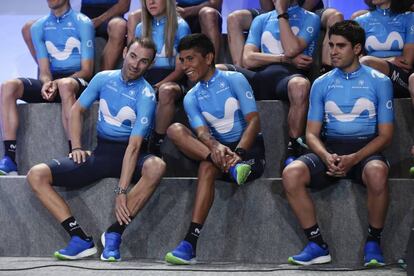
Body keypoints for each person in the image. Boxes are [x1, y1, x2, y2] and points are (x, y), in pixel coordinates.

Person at [27, 37, 165, 262]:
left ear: (149, 65)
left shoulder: (146, 94)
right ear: (124, 52)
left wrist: (121, 192)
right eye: (133, 56)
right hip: (101, 154)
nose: (135, 64)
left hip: (131, 155)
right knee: (36, 174)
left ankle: (114, 234)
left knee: (157, 166)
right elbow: (77, 110)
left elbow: (135, 145)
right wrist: (77, 146)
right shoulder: (103, 79)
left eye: (143, 61)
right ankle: (79, 238)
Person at [282, 20, 394, 267]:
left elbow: (386, 135)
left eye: (340, 46)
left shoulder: (379, 81)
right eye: (331, 45)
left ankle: (373, 242)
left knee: (377, 172)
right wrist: (325, 156)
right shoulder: (321, 83)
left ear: (357, 49)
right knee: (291, 174)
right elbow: (311, 134)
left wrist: (354, 158)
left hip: (365, 150)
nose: (332, 51)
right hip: (330, 148)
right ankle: (317, 245)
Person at [164, 33, 265, 265]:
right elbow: (201, 133)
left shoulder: (234, 80)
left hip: (248, 151)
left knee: (207, 167)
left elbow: (254, 122)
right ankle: (190, 244)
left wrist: (238, 154)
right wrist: (216, 147)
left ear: (208, 57)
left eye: (190, 59)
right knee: (176, 131)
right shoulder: (191, 96)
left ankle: (229, 164)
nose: (185, 66)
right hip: (219, 153)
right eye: (182, 60)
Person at [0, 0, 94, 175]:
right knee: (8, 86)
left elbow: (87, 70)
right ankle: (9, 158)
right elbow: (44, 70)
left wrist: (59, 82)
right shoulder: (39, 27)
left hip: (77, 80)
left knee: (65, 85)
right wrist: (46, 83)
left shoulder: (83, 22)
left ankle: (74, 151)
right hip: (54, 82)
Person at [222, 0, 320, 166]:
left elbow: (291, 48)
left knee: (301, 86)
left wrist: (282, 13)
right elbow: (247, 59)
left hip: (287, 79)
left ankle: (293, 146)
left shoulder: (311, 18)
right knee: (218, 70)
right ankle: (225, 139)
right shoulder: (262, 19)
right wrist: (284, 59)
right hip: (259, 77)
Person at [134, 0, 191, 155]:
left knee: (165, 91)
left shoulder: (181, 26)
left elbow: (181, 70)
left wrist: (157, 86)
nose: (151, 2)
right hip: (147, 78)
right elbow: (135, 65)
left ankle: (156, 142)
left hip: (173, 79)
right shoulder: (140, 28)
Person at [227, 0, 343, 72]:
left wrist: (296, 15)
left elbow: (306, 8)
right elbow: (267, 7)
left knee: (335, 16)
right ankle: (241, 71)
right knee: (234, 18)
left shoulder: (309, 17)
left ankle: (327, 70)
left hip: (304, 9)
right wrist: (273, 16)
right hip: (275, 10)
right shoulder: (264, 18)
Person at [22, 0, 131, 71]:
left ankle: (101, 81)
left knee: (119, 26)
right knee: (28, 28)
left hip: (110, 19)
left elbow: (124, 5)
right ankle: (48, 73)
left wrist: (99, 20)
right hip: (83, 17)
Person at [127, 0, 222, 62]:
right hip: (174, 8)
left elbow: (214, 4)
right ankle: (129, 61)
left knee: (208, 13)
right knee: (133, 16)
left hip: (199, 11)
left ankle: (212, 65)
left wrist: (185, 12)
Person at [355, 0, 414, 98]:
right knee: (363, 63)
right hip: (368, 69)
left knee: (366, 61)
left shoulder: (410, 18)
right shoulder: (360, 21)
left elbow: (406, 62)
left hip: (401, 77)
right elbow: (354, 60)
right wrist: (388, 60)